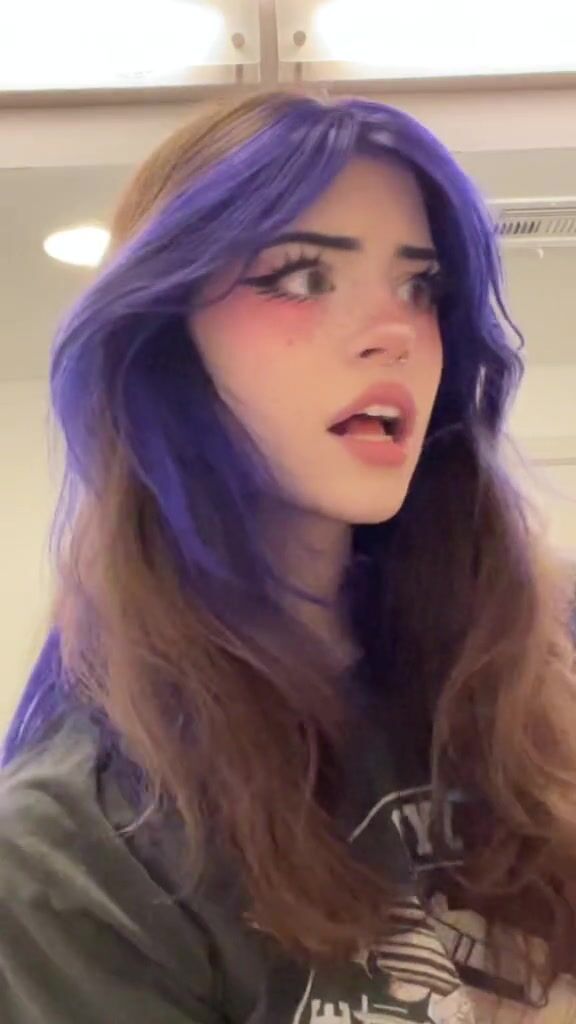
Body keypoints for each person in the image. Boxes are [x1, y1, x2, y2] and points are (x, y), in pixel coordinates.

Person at [1, 89, 575, 1024]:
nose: (395, 331)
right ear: (165, 340)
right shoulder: (85, 849)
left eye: (420, 287)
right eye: (304, 276)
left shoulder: (535, 664)